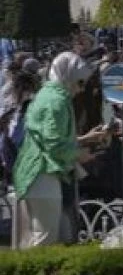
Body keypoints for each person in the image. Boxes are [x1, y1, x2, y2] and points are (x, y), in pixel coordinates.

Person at [10, 52, 105, 247]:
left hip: (34, 173)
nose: (81, 89)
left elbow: (48, 137)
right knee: (45, 240)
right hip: (43, 174)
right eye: (80, 83)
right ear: (67, 75)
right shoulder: (57, 101)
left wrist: (84, 139)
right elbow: (54, 145)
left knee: (37, 238)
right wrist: (80, 155)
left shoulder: (47, 94)